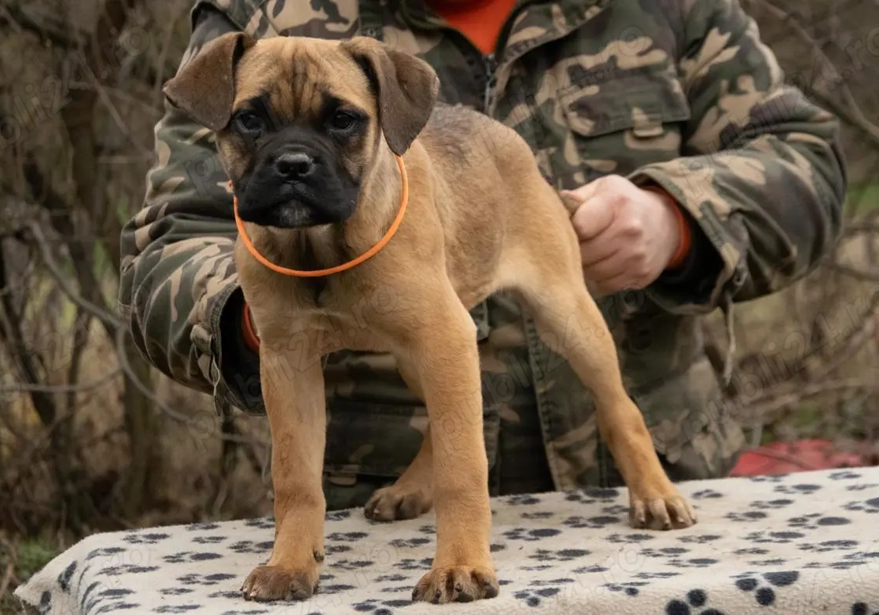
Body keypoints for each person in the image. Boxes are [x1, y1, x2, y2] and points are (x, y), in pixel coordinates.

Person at [118, 0, 847, 511]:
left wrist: (679, 216)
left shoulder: (669, 8)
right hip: (367, 526)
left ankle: (633, 446)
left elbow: (810, 163)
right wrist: (261, 312)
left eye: (339, 122)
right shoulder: (261, 17)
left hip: (644, 494)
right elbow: (164, 248)